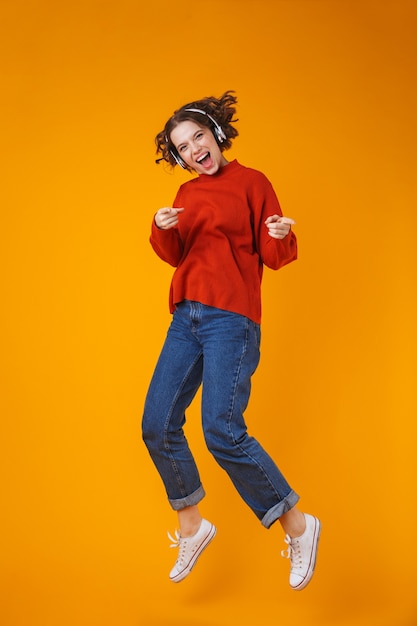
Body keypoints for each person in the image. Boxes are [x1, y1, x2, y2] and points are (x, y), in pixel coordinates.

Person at [142, 91, 320, 590]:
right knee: (157, 424)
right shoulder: (185, 195)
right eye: (181, 146)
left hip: (232, 320)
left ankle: (299, 527)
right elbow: (178, 255)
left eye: (198, 135)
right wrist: (160, 228)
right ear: (177, 157)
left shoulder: (253, 183)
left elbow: (275, 253)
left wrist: (282, 232)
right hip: (186, 316)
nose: (193, 149)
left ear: (215, 134)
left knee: (220, 428)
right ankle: (192, 525)